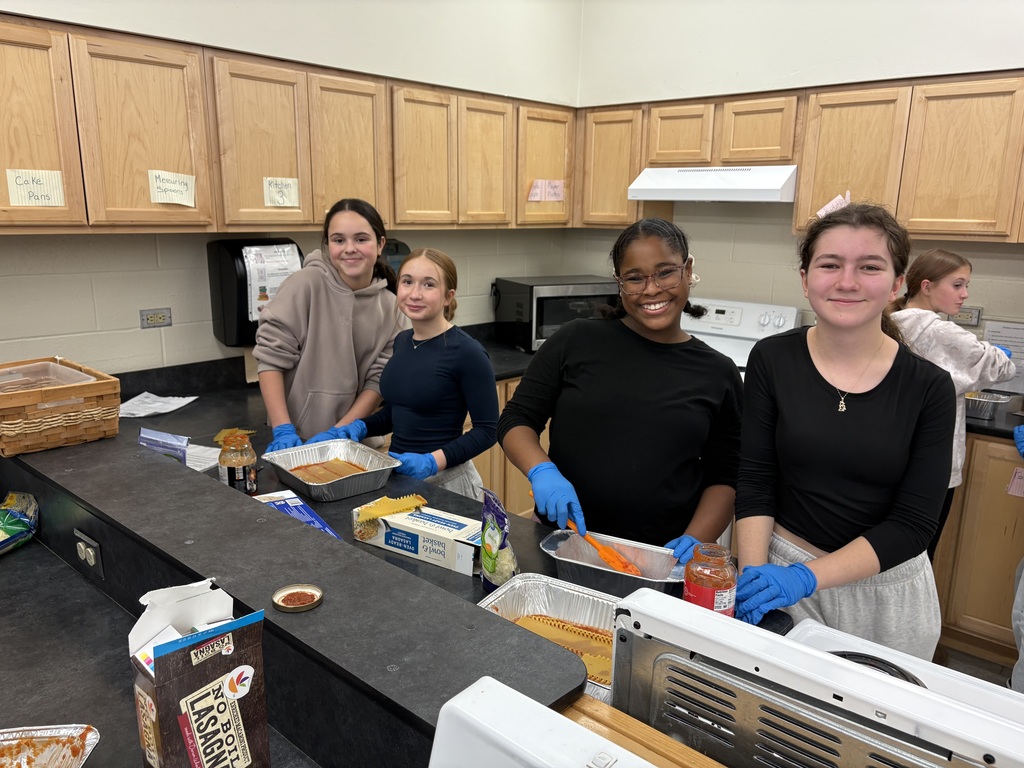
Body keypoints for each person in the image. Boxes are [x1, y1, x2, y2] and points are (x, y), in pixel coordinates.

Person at [734, 203, 956, 660]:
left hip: (884, 596)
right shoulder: (771, 360)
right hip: (779, 572)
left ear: (897, 284)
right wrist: (753, 579)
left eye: (869, 267)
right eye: (830, 265)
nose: (847, 281)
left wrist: (808, 577)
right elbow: (757, 480)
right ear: (805, 277)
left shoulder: (929, 388)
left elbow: (914, 526)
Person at [497, 218, 742, 555]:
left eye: (665, 272)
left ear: (687, 270)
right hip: (564, 541)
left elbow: (725, 476)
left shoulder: (718, 373)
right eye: (635, 277)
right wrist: (541, 470)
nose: (651, 289)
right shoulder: (575, 339)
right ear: (619, 282)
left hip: (661, 557)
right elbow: (516, 419)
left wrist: (696, 540)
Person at [314, 248, 498, 500]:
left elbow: (488, 431)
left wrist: (432, 461)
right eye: (407, 281)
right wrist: (358, 427)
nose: (415, 293)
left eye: (429, 285)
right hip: (400, 480)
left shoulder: (467, 352)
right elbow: (399, 412)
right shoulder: (403, 341)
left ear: (448, 296)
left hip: (448, 484)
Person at [891, 249, 1016, 559]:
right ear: (927, 286)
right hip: (932, 463)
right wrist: (996, 351)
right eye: (958, 285)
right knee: (919, 554)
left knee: (889, 551)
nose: (965, 295)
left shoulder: (889, 322)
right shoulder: (940, 331)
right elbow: (1002, 368)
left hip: (890, 455)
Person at [254, 199, 404, 452]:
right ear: (327, 245)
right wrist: (283, 429)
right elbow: (270, 359)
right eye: (338, 240)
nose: (349, 249)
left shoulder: (393, 307)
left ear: (380, 244)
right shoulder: (305, 285)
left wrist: (340, 432)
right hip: (296, 443)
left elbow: (377, 382)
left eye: (361, 239)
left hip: (358, 444)